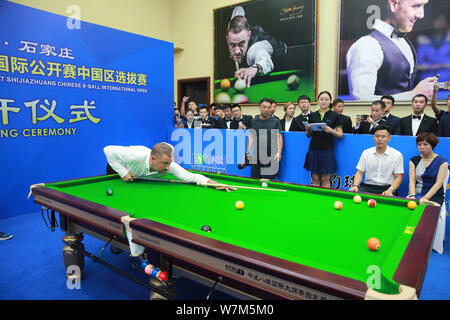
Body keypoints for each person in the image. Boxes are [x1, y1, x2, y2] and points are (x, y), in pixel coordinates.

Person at [346, 0, 436, 101]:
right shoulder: (367, 45)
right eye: (416, 6)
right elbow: (361, 101)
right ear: (394, 4)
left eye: (423, 6)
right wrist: (412, 95)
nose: (421, 15)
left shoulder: (404, 41)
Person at [104, 143, 233, 192]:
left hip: (135, 175)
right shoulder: (134, 155)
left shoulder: (169, 165)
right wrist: (123, 172)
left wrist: (213, 183)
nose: (168, 167)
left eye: (169, 163)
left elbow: (191, 176)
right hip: (117, 167)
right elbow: (108, 150)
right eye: (164, 163)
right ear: (153, 159)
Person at [226, 6, 287, 87]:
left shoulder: (256, 49)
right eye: (232, 44)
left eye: (241, 44)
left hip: (283, 58)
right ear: (227, 39)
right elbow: (238, 9)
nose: (237, 51)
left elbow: (264, 59)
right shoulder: (235, 22)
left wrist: (255, 68)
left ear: (249, 35)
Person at [349, 125, 404, 195]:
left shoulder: (397, 155)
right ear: (373, 137)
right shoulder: (366, 153)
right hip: (367, 187)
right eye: (377, 136)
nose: (379, 139)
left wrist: (391, 189)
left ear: (389, 138)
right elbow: (359, 172)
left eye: (383, 137)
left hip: (387, 188)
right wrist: (355, 185)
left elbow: (398, 177)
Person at [304, 91, 343, 188]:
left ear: (330, 101)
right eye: (321, 99)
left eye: (326, 99)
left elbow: (340, 135)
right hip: (314, 149)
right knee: (315, 179)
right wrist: (308, 129)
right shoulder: (312, 115)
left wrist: (330, 131)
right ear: (318, 101)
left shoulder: (335, 115)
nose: (324, 101)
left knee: (326, 180)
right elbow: (308, 135)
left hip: (327, 150)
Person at [245, 98, 283, 180]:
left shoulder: (275, 121)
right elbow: (251, 136)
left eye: (269, 107)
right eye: (264, 107)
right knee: (254, 181)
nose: (266, 109)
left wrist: (279, 152)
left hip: (271, 156)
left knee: (269, 182)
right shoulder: (253, 121)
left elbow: (279, 136)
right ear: (259, 107)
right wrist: (248, 152)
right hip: (256, 156)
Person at [408, 133, 448, 206]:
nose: (421, 147)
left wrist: (426, 198)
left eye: (425, 144)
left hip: (434, 195)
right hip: (417, 193)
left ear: (432, 146)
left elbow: (439, 183)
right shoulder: (414, 160)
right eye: (419, 144)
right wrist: (412, 196)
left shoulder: (442, 162)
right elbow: (412, 180)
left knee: (430, 210)